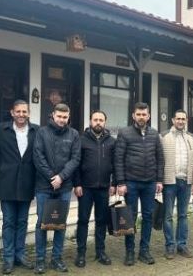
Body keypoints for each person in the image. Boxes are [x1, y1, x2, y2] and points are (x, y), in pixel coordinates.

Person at [0, 100, 39, 274]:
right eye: (18, 111)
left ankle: (20, 255)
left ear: (29, 113)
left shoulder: (37, 131)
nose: (21, 114)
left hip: (27, 183)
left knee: (22, 222)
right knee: (9, 222)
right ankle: (8, 258)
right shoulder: (0, 130)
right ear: (12, 112)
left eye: (24, 111)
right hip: (7, 183)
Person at [33, 103, 81, 273]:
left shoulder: (74, 134)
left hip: (64, 186)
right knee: (42, 223)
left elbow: (75, 159)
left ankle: (57, 258)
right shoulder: (42, 132)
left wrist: (61, 177)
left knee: (60, 223)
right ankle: (40, 260)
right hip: (43, 186)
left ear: (69, 117)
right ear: (53, 115)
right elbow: (38, 156)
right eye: (59, 116)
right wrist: (51, 177)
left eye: (65, 117)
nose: (62, 120)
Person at [115, 102, 164, 266]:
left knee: (148, 216)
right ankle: (130, 251)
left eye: (144, 114)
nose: (141, 117)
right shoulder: (124, 133)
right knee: (130, 217)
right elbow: (118, 159)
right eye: (139, 114)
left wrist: (159, 180)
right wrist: (120, 182)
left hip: (150, 183)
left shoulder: (154, 134)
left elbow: (160, 159)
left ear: (148, 116)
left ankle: (144, 250)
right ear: (133, 116)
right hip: (131, 183)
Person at [73, 110, 116, 268]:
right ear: (90, 121)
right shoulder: (81, 140)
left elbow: (116, 164)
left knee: (101, 221)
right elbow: (76, 164)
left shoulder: (111, 141)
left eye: (101, 120)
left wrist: (114, 184)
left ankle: (100, 252)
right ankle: (81, 253)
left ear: (105, 122)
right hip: (85, 188)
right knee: (83, 220)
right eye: (95, 119)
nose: (98, 122)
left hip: (104, 188)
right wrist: (77, 184)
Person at [161, 109, 193, 259]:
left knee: (183, 215)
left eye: (183, 119)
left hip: (186, 182)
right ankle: (170, 246)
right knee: (168, 216)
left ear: (186, 121)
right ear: (173, 120)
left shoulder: (192, 138)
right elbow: (159, 160)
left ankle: (182, 245)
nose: (181, 121)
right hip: (169, 182)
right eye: (178, 118)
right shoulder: (164, 137)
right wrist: (159, 181)